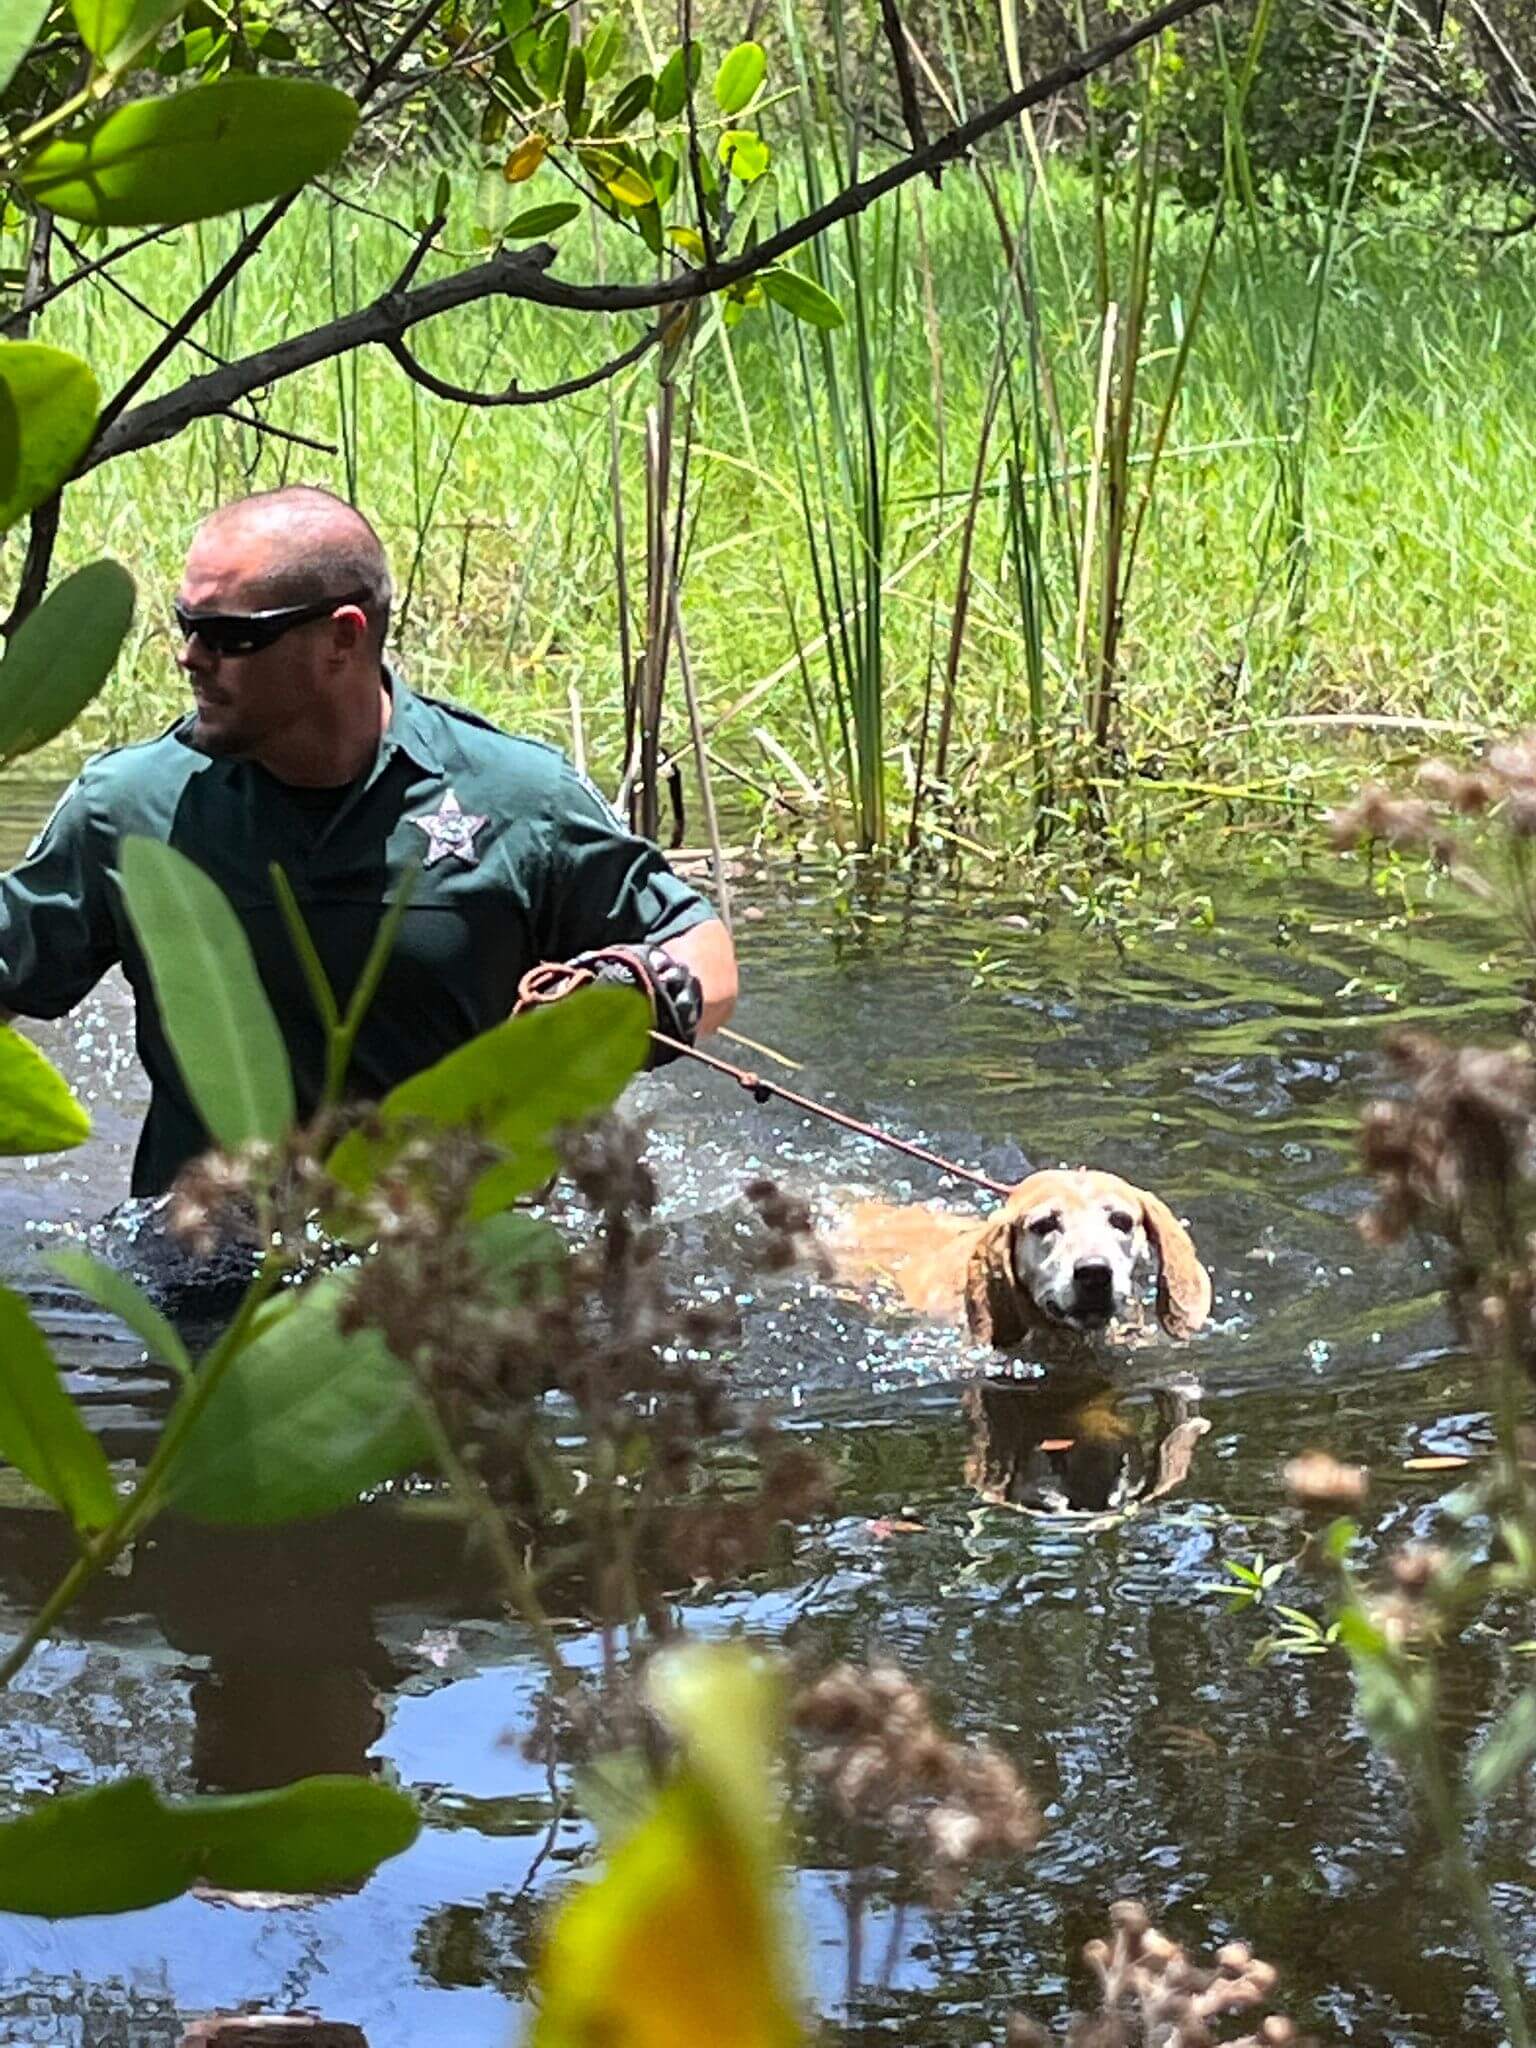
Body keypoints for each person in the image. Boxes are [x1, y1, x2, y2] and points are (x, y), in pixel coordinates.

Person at [0, 486, 737, 1195]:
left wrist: (635, 995)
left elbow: (701, 947)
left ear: (341, 638)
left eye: (230, 636)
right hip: (204, 1255)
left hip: (447, 1251)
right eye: (185, 623)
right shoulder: (128, 808)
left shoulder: (517, 797)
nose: (190, 656)